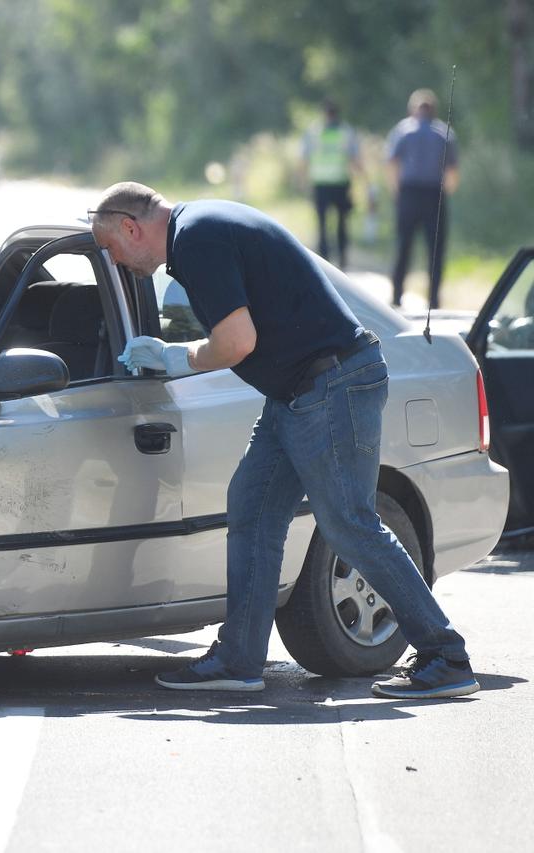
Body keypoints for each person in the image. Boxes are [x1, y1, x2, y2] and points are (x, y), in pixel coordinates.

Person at [89, 181, 478, 700]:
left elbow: (237, 342)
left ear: (132, 227)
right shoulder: (201, 224)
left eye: (112, 249)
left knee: (349, 524)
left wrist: (177, 357)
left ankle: (445, 656)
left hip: (330, 386)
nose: (116, 263)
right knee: (252, 506)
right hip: (298, 393)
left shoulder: (196, 240)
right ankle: (240, 659)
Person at [386, 88, 459, 309]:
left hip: (408, 193)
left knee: (403, 246)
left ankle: (397, 295)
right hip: (434, 195)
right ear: (434, 111)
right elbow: (452, 172)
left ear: (413, 110)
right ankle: (434, 300)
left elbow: (392, 164)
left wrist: (396, 191)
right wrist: (446, 192)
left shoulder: (403, 130)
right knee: (435, 249)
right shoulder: (444, 132)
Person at [301, 99, 363, 268]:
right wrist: (364, 180)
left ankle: (323, 263)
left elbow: (304, 159)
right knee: (342, 224)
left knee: (321, 224)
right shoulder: (346, 132)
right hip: (340, 183)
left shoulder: (314, 132)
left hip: (320, 183)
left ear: (323, 114)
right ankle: (342, 260)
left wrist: (302, 181)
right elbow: (354, 159)